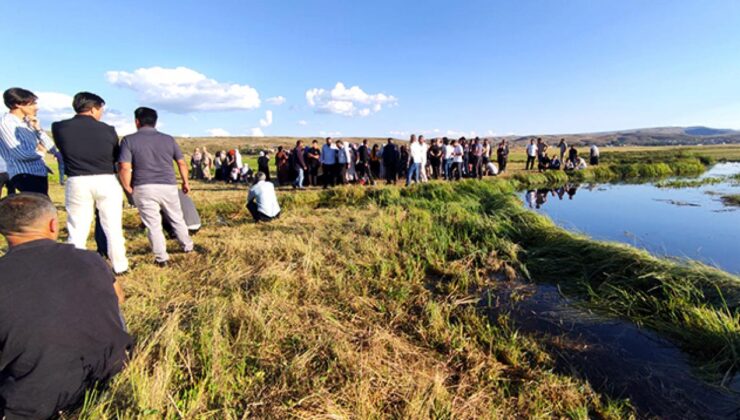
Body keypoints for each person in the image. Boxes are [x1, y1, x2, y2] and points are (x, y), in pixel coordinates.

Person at [0, 193, 131, 418]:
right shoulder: (92, 259)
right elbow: (119, 298)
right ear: (53, 225)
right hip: (112, 376)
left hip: (30, 403)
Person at [51, 91, 129, 275]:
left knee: (77, 227)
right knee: (113, 227)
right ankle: (120, 266)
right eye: (101, 109)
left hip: (77, 180)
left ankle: (74, 266)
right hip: (106, 179)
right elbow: (115, 156)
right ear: (94, 109)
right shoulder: (108, 129)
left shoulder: (59, 127)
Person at [118, 107, 194, 266]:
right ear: (155, 121)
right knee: (177, 218)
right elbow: (181, 162)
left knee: (153, 224)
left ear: (137, 121)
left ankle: (162, 258)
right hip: (168, 185)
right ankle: (187, 246)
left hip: (144, 186)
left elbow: (125, 167)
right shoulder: (169, 139)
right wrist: (185, 181)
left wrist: (127, 187)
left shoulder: (128, 140)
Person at [0, 87, 58, 195]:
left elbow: (50, 146)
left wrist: (38, 129)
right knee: (39, 209)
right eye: (32, 103)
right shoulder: (6, 123)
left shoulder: (29, 121)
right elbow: (20, 154)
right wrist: (41, 152)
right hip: (24, 174)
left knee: (42, 208)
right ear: (18, 104)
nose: (36, 107)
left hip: (39, 173)